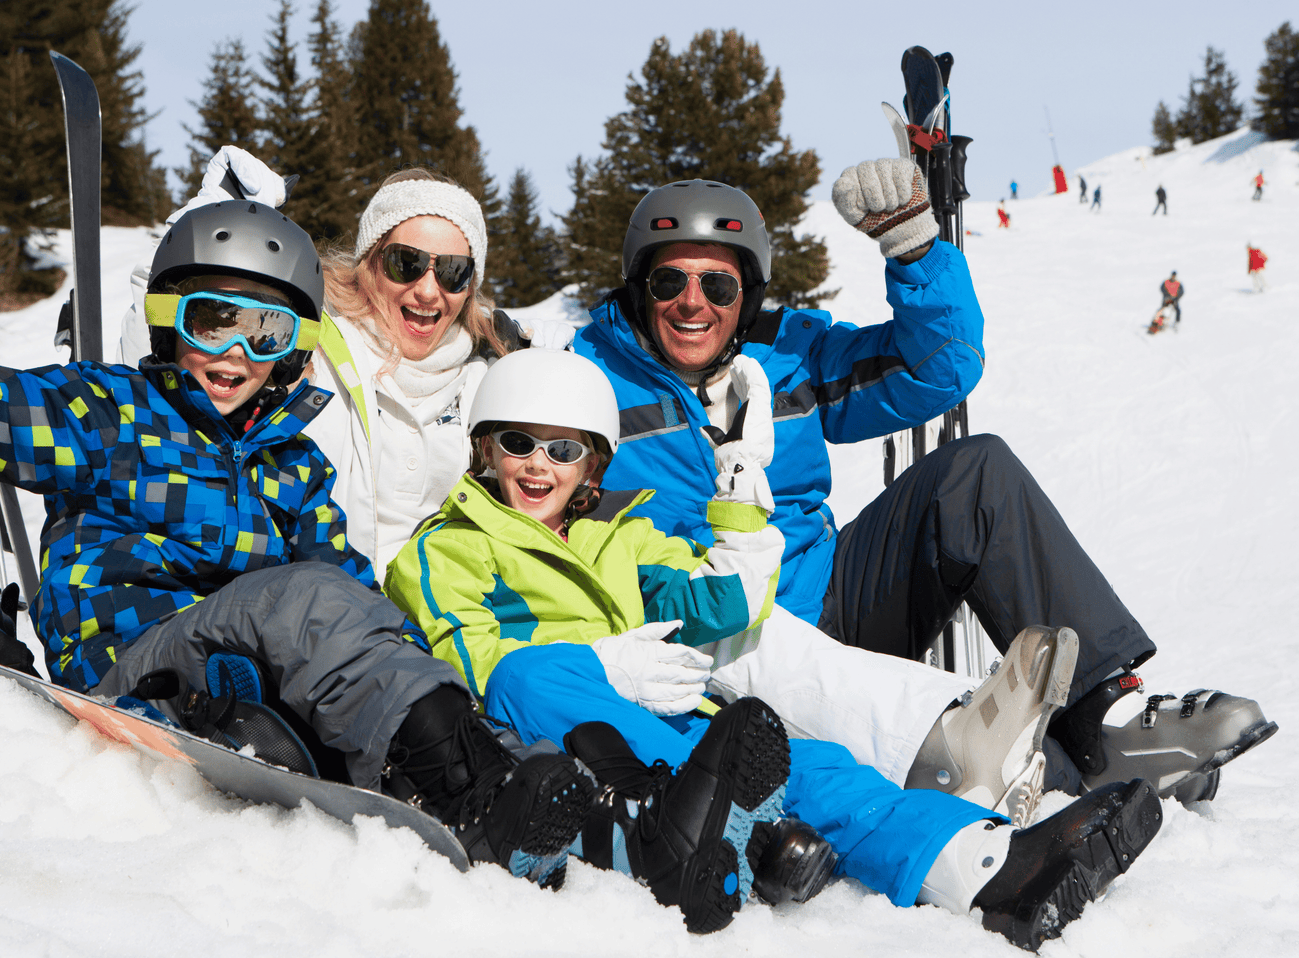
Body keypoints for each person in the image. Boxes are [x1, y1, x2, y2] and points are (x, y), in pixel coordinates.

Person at [0, 132, 594, 884]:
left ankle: (559, 805)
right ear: (166, 317)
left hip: (247, 680)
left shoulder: (295, 465)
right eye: (212, 321)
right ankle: (476, 799)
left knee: (360, 618)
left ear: (292, 345)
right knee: (309, 600)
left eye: (266, 331)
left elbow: (357, 611)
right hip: (132, 663)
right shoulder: (109, 412)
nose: (235, 354)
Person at [387, 348, 1164, 950]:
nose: (537, 466)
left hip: (667, 713)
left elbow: (722, 606)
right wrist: (599, 665)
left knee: (811, 764)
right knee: (529, 670)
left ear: (594, 464)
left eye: (563, 451)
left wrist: (738, 498)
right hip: (551, 722)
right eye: (518, 443)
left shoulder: (621, 534)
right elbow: (471, 665)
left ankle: (986, 871)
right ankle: (717, 825)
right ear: (483, 448)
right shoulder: (447, 546)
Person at [566, 163, 1275, 813]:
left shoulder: (789, 355)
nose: (693, 303)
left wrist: (914, 250)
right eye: (670, 282)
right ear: (639, 285)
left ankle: (1099, 724)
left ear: (746, 293)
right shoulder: (586, 380)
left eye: (717, 284)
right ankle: (1015, 764)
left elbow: (940, 370)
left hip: (827, 602)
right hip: (708, 636)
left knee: (974, 476)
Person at [120, 148, 568, 583]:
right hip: (318, 620)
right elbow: (165, 378)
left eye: (453, 271)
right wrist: (192, 249)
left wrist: (552, 386)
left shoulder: (489, 375)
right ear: (368, 262)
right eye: (406, 263)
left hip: (447, 627)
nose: (429, 292)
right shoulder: (304, 343)